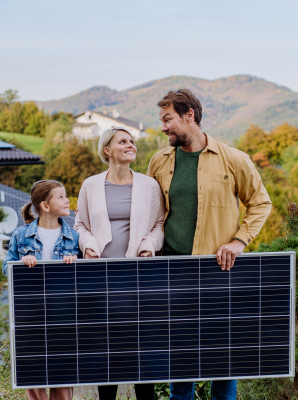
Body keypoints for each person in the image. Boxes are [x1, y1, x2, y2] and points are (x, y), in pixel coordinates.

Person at [147, 88, 272, 400]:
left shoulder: (234, 160)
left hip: (220, 272)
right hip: (172, 273)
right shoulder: (158, 162)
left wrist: (240, 241)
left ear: (190, 116)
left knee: (223, 357)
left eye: (167, 119)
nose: (163, 127)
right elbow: (148, 214)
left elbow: (260, 204)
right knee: (182, 357)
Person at [74, 127, 165, 400]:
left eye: (132, 141)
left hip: (139, 277)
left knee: (141, 346)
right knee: (107, 346)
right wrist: (88, 244)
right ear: (107, 150)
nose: (131, 145)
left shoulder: (149, 185)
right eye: (123, 141)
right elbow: (79, 224)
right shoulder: (90, 185)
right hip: (102, 278)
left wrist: (149, 245)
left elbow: (159, 225)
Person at [2, 179, 79, 400]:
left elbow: (84, 279)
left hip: (62, 314)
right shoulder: (20, 235)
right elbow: (5, 268)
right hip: (32, 314)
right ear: (45, 205)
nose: (67, 200)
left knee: (62, 374)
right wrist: (21, 263)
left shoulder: (73, 237)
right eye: (61, 196)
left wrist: (74, 262)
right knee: (34, 372)